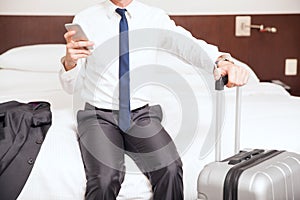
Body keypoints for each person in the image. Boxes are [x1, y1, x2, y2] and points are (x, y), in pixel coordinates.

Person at [59, 0, 249, 199]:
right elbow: (71, 87)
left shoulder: (154, 18)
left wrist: (221, 61)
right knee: (105, 179)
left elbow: (188, 45)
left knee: (171, 168)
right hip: (99, 116)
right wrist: (70, 62)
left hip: (140, 115)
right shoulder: (85, 19)